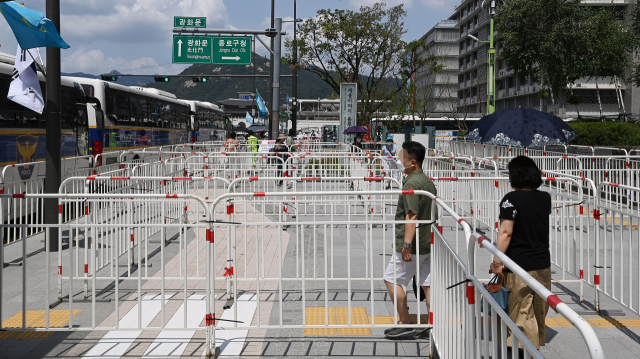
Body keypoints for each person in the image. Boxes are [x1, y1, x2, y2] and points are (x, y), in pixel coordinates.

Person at [490, 156, 552, 353]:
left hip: (519, 266)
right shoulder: (545, 198)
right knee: (537, 311)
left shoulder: (511, 199)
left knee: (521, 314)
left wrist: (497, 260)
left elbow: (506, 232)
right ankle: (535, 351)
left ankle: (526, 353)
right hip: (542, 264)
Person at [382, 141, 437, 339]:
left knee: (391, 279)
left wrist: (406, 245)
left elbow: (411, 216)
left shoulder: (412, 183)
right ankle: (433, 325)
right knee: (427, 284)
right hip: (427, 243)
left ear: (412, 162)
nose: (399, 161)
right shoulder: (426, 180)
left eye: (402, 158)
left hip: (413, 245)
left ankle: (405, 321)